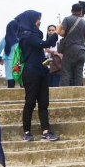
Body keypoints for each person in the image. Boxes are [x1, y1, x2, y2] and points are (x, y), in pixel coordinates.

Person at [14, 10, 59, 142]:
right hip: (31, 72)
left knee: (44, 103)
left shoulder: (35, 34)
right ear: (31, 20)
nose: (40, 21)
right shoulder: (26, 35)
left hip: (41, 71)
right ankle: (26, 131)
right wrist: (56, 33)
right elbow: (43, 44)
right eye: (38, 19)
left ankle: (45, 131)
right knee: (30, 102)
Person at [57, 1, 85, 87]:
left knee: (66, 72)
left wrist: (58, 28)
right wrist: (79, 38)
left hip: (70, 49)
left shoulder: (67, 19)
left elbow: (62, 33)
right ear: (80, 11)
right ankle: (78, 92)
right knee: (79, 73)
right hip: (81, 50)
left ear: (71, 10)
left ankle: (64, 93)